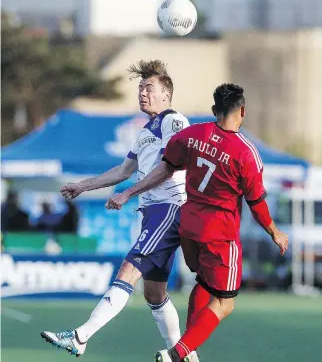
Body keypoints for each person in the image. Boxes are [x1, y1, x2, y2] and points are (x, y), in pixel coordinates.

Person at [107, 83, 289, 362]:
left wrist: (132, 190)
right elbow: (256, 203)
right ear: (243, 110)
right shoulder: (245, 152)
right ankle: (178, 353)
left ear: (215, 110)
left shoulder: (191, 135)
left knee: (204, 284)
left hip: (189, 229)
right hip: (220, 235)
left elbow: (167, 167)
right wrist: (275, 232)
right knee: (225, 303)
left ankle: (190, 348)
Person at [40, 60, 198, 361]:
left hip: (169, 209)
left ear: (166, 94)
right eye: (139, 88)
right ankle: (185, 356)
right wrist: (82, 186)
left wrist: (127, 194)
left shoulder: (173, 120)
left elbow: (169, 166)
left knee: (129, 270)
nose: (142, 93)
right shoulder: (146, 130)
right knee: (154, 293)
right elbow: (123, 169)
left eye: (148, 88)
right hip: (154, 212)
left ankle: (80, 337)